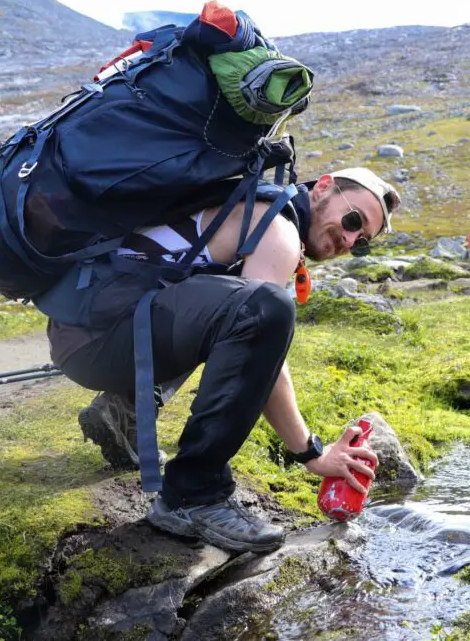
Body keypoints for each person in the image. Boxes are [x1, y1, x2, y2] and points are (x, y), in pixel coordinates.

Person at [48, 167, 401, 552]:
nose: (349, 239)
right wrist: (312, 452)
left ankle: (125, 409)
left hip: (88, 326)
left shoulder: (257, 206)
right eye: (353, 220)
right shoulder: (277, 230)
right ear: (322, 188)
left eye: (361, 241)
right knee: (266, 309)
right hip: (97, 339)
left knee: (226, 308)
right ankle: (194, 494)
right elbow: (262, 341)